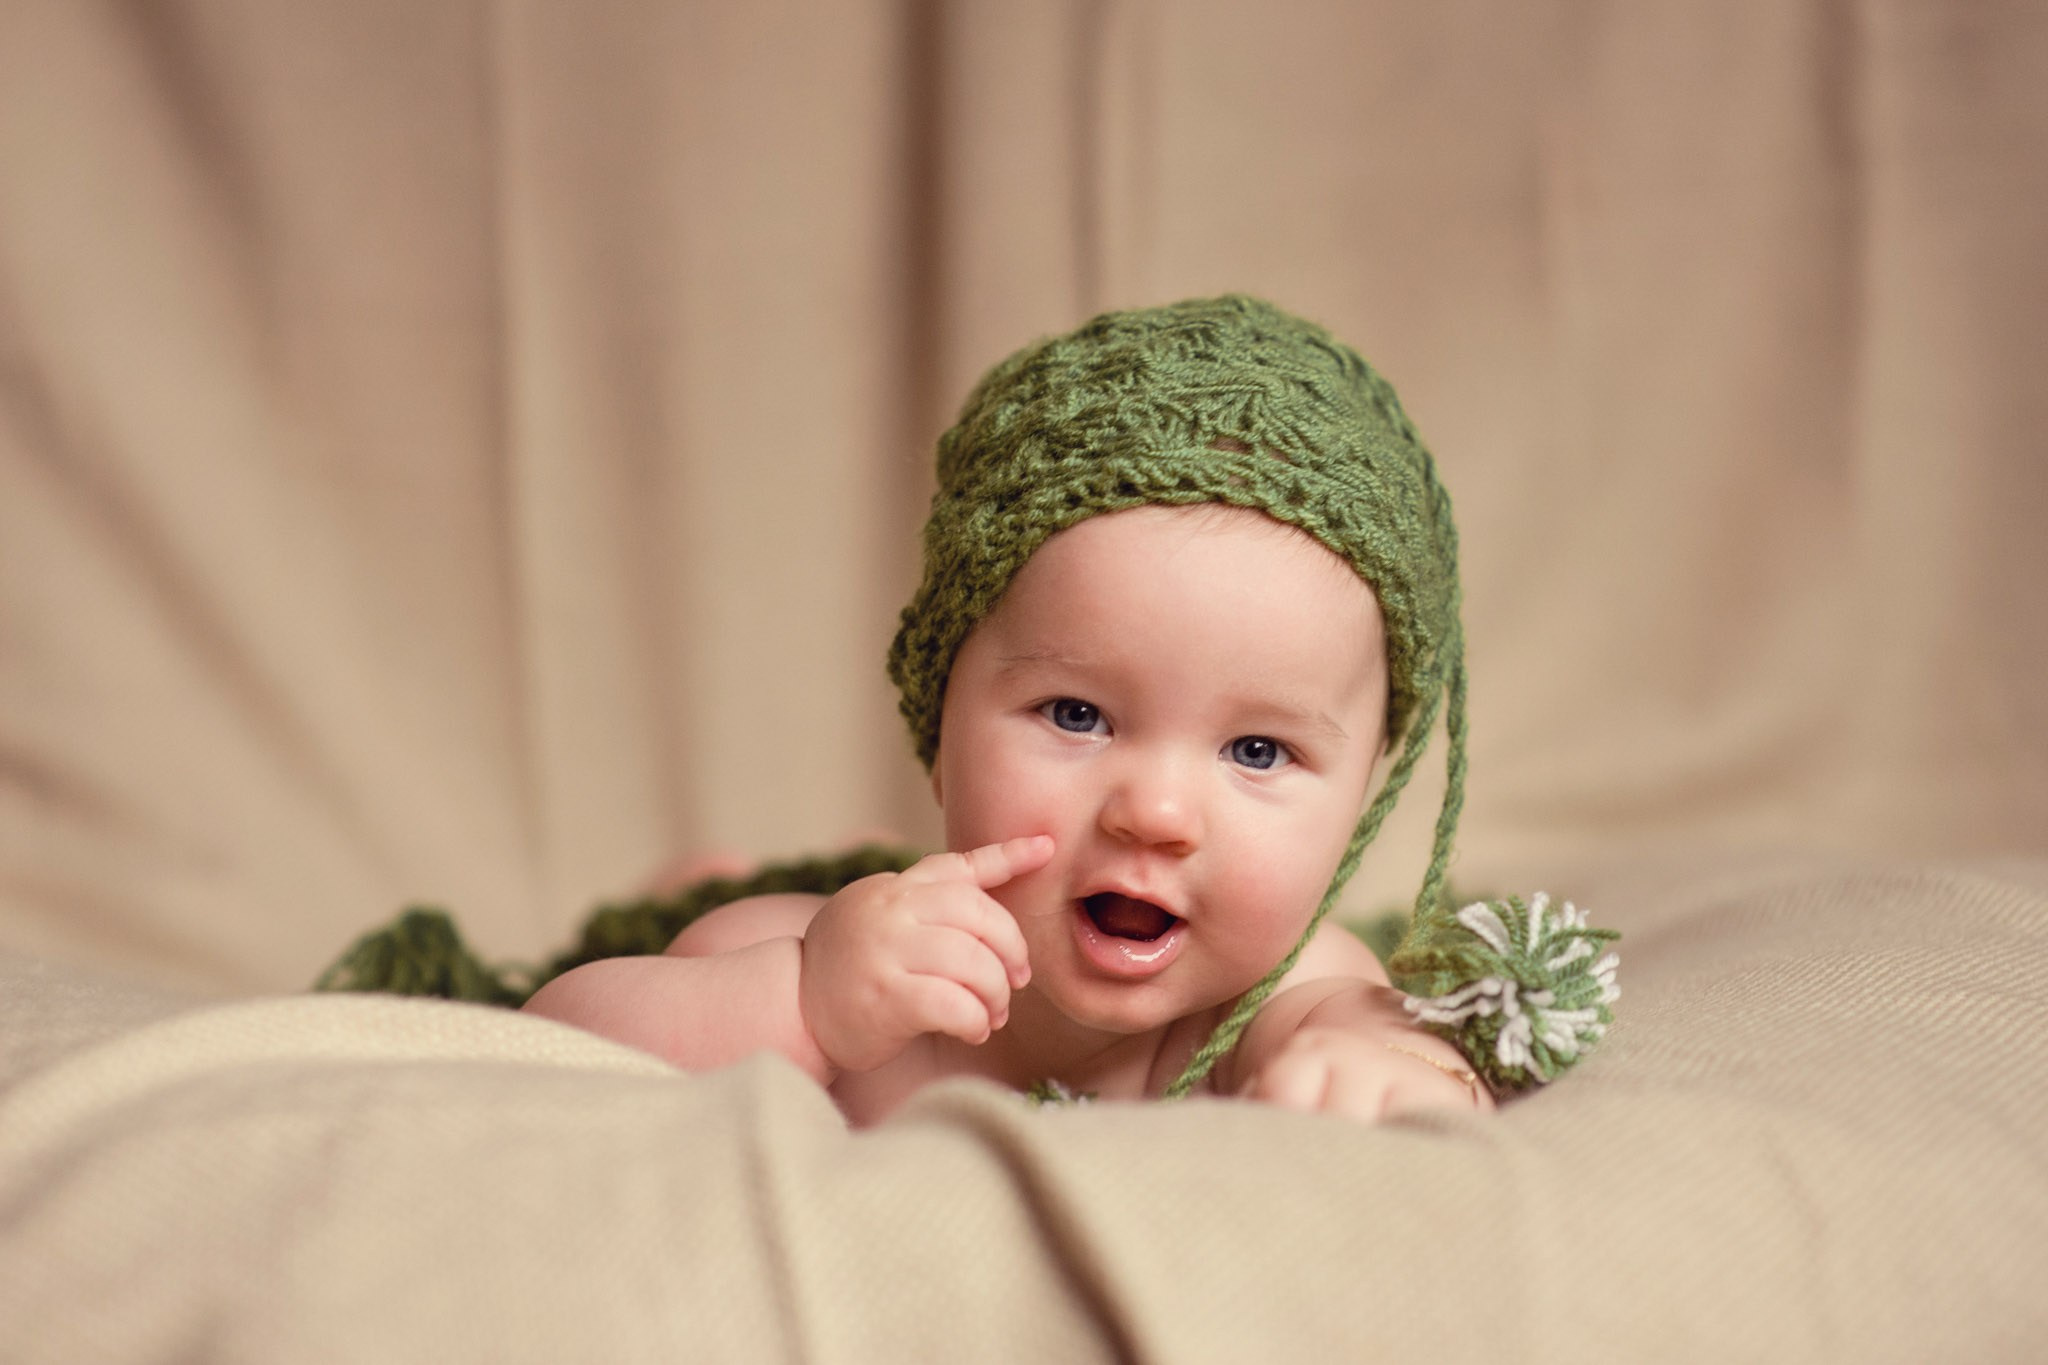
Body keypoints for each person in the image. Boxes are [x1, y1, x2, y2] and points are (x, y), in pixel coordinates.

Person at [525, 295, 1600, 1126]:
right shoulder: (824, 956)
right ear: (939, 720)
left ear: (1364, 793)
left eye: (1257, 749)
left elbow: (1406, 1061)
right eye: (1078, 715)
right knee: (739, 909)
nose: (1157, 813)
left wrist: (1378, 1072)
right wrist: (803, 1003)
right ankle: (718, 870)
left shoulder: (1286, 993)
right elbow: (550, 1047)